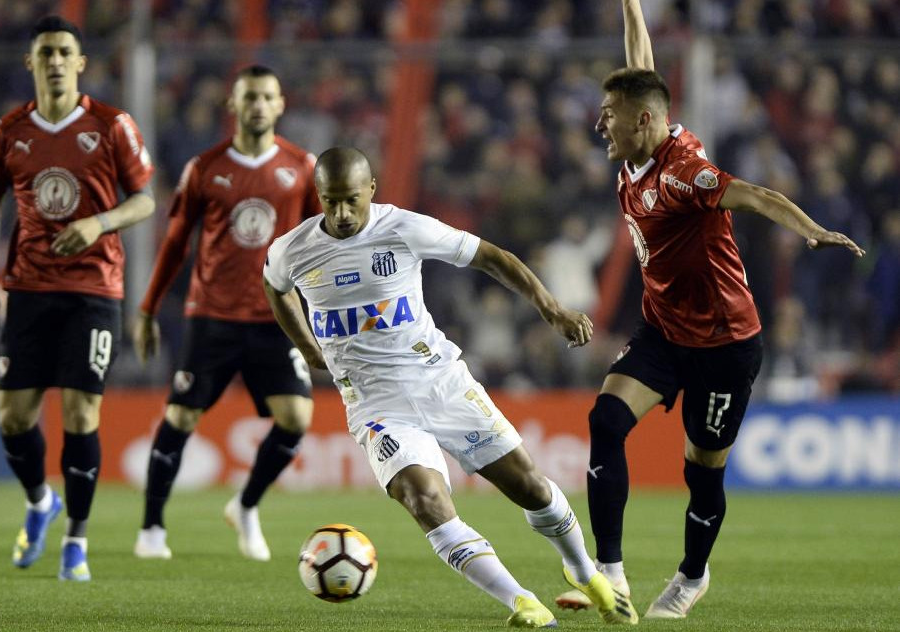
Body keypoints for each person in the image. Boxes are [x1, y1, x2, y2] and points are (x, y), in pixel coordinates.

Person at [554, 0, 866, 620]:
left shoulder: (682, 174)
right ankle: (608, 576)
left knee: (702, 468)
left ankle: (693, 575)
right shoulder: (637, 145)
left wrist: (811, 230)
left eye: (608, 117)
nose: (599, 125)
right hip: (665, 330)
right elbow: (639, 64)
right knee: (606, 421)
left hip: (725, 344)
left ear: (643, 121)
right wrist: (632, 5)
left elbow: (754, 194)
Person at [264, 147, 638, 628]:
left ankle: (583, 571)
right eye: (330, 201)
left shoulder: (403, 228)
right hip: (376, 405)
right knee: (425, 500)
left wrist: (553, 310)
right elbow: (275, 287)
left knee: (530, 487)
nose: (339, 214)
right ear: (318, 196)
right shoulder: (292, 249)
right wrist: (307, 346)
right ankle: (521, 600)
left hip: (440, 381)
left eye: (350, 201)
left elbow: (491, 257)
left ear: (371, 191)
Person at [0, 15, 155, 582]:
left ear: (80, 63)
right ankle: (38, 501)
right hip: (27, 287)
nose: (54, 61)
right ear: (31, 62)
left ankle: (76, 539)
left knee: (80, 412)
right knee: (12, 417)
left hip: (94, 289)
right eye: (45, 51)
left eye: (64, 52)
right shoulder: (6, 133)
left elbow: (145, 200)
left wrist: (100, 223)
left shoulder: (111, 125)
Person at [132, 65, 320, 562]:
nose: (258, 104)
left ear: (280, 105)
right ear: (233, 106)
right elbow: (174, 244)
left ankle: (247, 504)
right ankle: (151, 528)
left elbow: (323, 243)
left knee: (296, 417)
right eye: (250, 97)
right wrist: (149, 309)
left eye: (267, 96)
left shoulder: (302, 167)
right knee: (181, 414)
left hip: (275, 315)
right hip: (211, 315)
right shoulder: (204, 168)